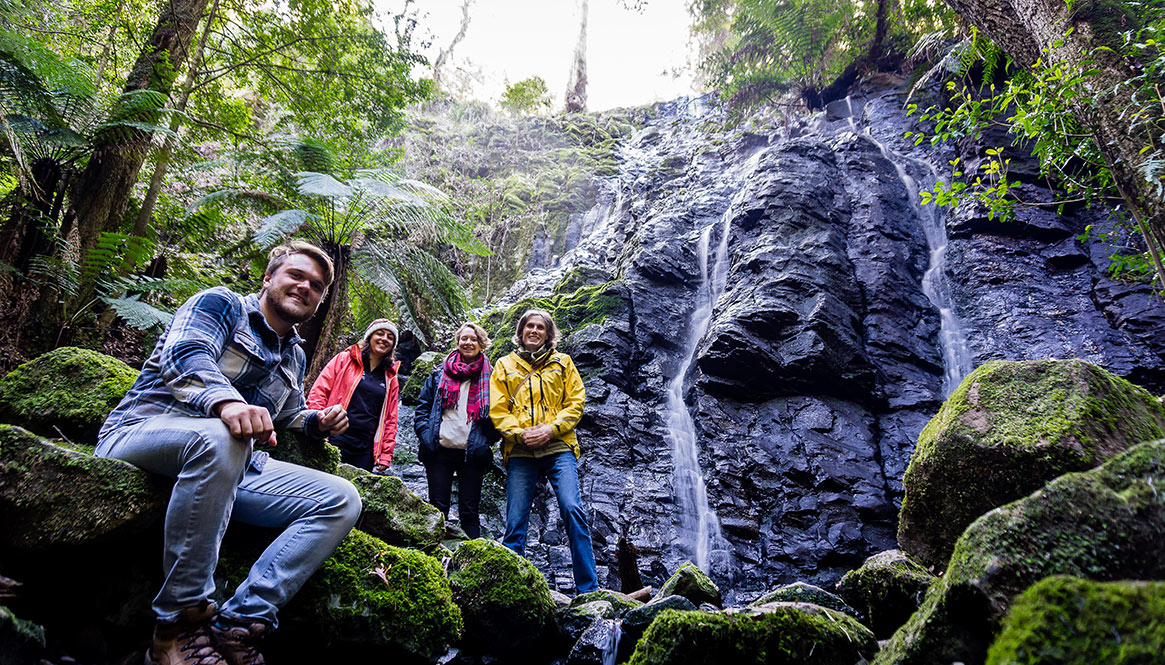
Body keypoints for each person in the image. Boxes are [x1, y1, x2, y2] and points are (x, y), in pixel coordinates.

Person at [96, 241, 361, 665]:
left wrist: (318, 423)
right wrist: (229, 404)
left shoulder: (294, 353)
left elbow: (287, 413)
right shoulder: (220, 304)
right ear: (269, 278)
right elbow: (185, 354)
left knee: (343, 498)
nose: (305, 287)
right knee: (222, 436)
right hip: (144, 430)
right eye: (296, 275)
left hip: (234, 466)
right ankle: (177, 624)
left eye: (316, 285)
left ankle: (239, 623)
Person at [489, 309, 598, 593]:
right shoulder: (504, 365)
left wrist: (551, 430)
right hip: (521, 450)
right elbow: (499, 410)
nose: (534, 331)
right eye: (529, 326)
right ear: (521, 332)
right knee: (515, 520)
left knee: (572, 509)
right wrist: (521, 434)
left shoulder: (563, 363)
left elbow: (576, 402)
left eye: (540, 327)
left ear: (548, 334)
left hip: (559, 446)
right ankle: (513, 589)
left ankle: (589, 589)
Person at [414, 322, 500, 539]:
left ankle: (472, 562)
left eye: (474, 339)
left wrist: (485, 440)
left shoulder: (492, 378)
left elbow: (502, 413)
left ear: (482, 344)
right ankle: (433, 558)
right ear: (458, 342)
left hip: (472, 455)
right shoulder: (438, 374)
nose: (468, 342)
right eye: (464, 338)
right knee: (436, 508)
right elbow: (422, 409)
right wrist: (427, 437)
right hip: (439, 452)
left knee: (469, 513)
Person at [307, 319, 400, 472]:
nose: (384, 339)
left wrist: (385, 454)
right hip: (335, 437)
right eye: (380, 333)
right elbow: (320, 391)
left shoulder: (391, 377)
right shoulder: (345, 359)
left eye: (390, 337)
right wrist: (315, 424)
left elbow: (391, 419)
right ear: (369, 337)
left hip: (365, 448)